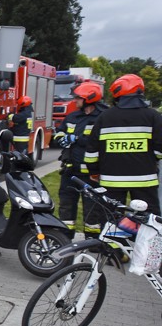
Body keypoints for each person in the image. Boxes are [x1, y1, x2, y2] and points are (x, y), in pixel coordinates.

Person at [85, 74, 162, 216]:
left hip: (111, 180)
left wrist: (93, 171)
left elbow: (92, 151)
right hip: (144, 180)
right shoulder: (153, 116)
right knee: (149, 220)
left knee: (111, 219)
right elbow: (160, 148)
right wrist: (151, 159)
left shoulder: (105, 117)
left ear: (117, 93)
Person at [54, 83, 107, 236]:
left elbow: (99, 140)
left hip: (92, 173)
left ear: (89, 99)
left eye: (78, 97)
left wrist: (76, 139)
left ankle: (92, 239)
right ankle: (64, 237)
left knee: (92, 208)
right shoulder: (73, 116)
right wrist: (61, 138)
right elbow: (60, 132)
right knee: (66, 205)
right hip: (70, 171)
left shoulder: (103, 117)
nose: (75, 100)